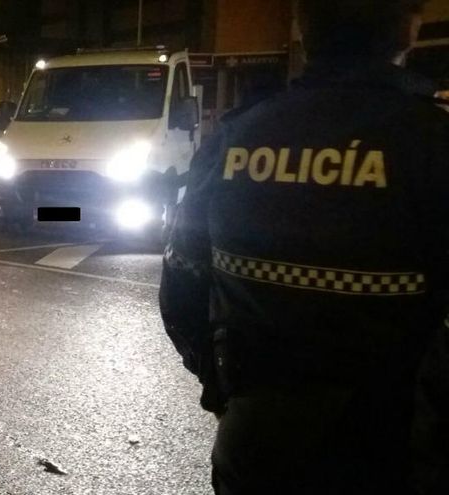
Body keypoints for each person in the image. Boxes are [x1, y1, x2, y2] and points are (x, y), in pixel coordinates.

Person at [158, 1, 449, 494]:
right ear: (410, 29)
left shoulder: (237, 135)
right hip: (390, 453)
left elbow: (182, 282)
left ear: (300, 27)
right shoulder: (431, 142)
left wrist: (225, 388)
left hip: (254, 444)